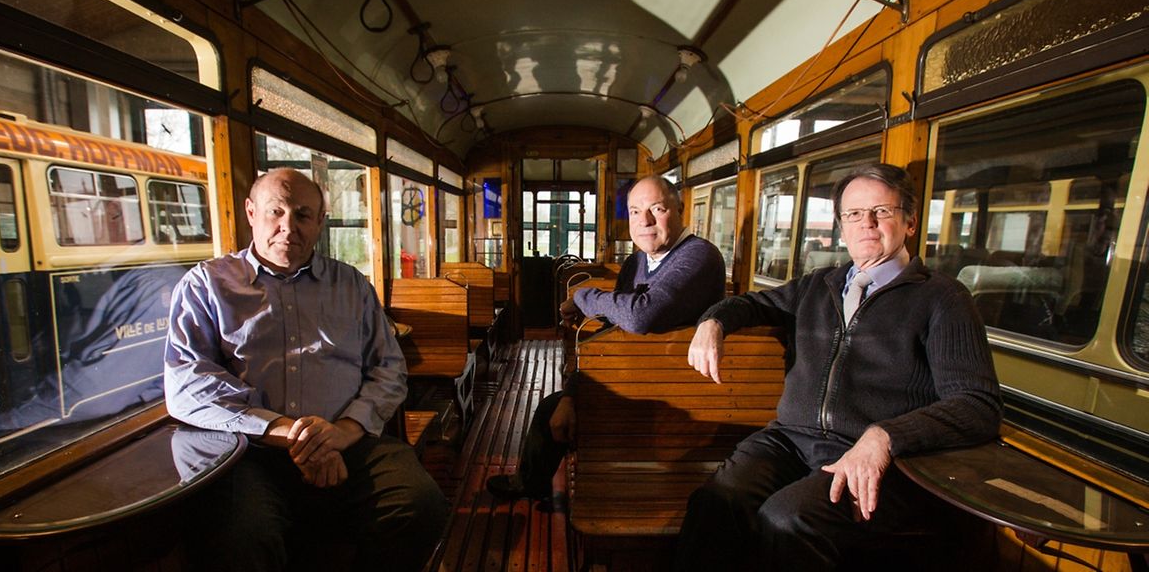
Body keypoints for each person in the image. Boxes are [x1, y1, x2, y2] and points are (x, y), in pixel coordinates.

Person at [675, 163, 1002, 571]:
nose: (866, 223)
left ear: (910, 221)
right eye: (853, 214)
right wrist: (714, 321)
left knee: (786, 518)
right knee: (717, 502)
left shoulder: (943, 299)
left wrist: (885, 437)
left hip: (882, 459)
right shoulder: (818, 284)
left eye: (881, 211)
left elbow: (977, 404)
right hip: (792, 439)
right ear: (841, 227)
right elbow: (752, 303)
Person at [164, 168, 448, 572]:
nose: (287, 227)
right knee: (240, 536)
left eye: (302, 215)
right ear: (250, 212)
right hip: (248, 452)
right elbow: (188, 384)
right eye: (275, 212)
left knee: (421, 505)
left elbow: (388, 368)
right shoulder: (206, 286)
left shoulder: (351, 286)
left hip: (348, 441)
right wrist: (288, 433)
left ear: (319, 222)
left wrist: (342, 432)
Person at [486, 174, 726, 500]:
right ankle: (533, 485)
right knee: (553, 409)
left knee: (551, 412)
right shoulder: (637, 261)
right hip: (638, 379)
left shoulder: (699, 256)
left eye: (657, 208)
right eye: (635, 211)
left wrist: (585, 297)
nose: (646, 220)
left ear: (681, 209)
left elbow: (640, 316)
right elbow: (611, 335)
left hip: (683, 394)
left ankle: (535, 486)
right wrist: (572, 394)